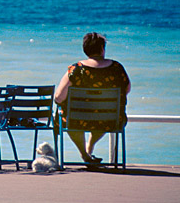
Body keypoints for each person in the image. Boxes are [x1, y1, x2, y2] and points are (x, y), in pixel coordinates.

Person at [54, 32, 131, 164]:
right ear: (102, 49)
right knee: (103, 113)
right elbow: (126, 89)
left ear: (85, 50)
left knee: (66, 115)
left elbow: (58, 98)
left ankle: (84, 154)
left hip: (77, 120)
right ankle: (89, 149)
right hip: (109, 120)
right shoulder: (117, 68)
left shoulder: (76, 69)